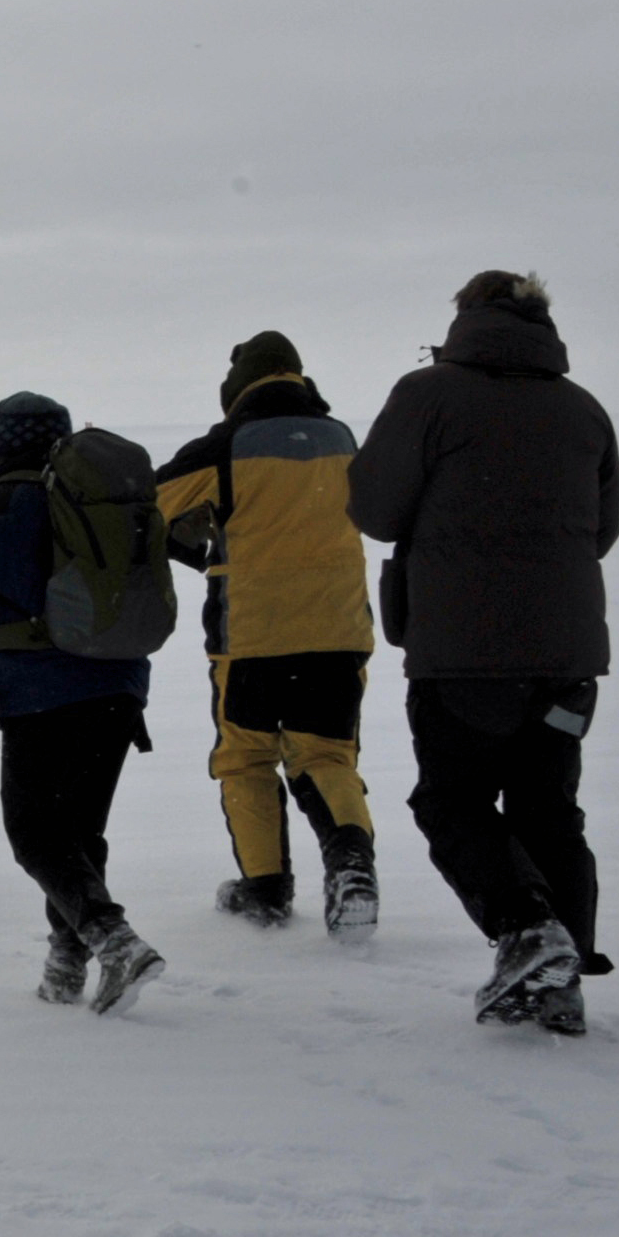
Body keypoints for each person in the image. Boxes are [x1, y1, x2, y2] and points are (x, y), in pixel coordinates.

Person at [349, 272, 619, 1035]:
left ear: (466, 319)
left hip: (462, 652)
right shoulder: (583, 409)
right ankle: (560, 979)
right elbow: (602, 532)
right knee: (547, 809)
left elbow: (373, 509)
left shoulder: (428, 395)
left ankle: (528, 932)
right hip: (567, 659)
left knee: (451, 802)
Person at [0, 392, 165, 1010]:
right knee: (79, 832)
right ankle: (65, 965)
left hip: (38, 693)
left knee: (34, 833)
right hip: (118, 685)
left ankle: (114, 941)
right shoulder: (104, 501)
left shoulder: (3, 502)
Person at [153, 332, 383, 935]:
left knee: (247, 756)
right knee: (326, 753)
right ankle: (352, 866)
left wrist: (198, 530)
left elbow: (150, 504)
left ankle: (265, 888)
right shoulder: (342, 439)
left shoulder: (226, 444)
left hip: (253, 632)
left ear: (236, 390)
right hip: (339, 626)